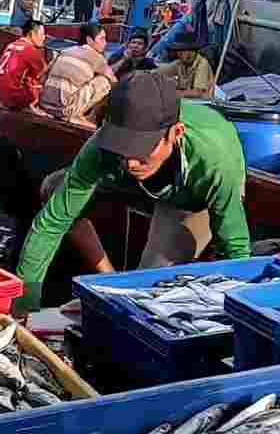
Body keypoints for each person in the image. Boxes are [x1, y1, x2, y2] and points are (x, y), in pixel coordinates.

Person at [17, 71, 250, 311]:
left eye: (140, 148)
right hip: (133, 184)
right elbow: (51, 224)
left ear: (175, 133)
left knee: (149, 291)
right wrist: (24, 305)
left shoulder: (214, 164)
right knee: (54, 186)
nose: (130, 163)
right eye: (121, 146)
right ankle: (109, 282)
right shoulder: (103, 150)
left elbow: (235, 249)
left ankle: (124, 295)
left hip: (189, 197)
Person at [37, 23, 114, 125]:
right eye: (102, 39)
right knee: (105, 81)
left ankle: (74, 111)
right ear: (89, 40)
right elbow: (113, 80)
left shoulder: (65, 51)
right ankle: (78, 115)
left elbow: (43, 76)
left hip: (44, 104)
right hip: (64, 110)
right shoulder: (97, 57)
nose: (105, 43)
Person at [0, 20, 48, 110]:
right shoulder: (30, 50)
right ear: (32, 34)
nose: (44, 38)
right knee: (47, 86)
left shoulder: (10, 45)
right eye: (42, 34)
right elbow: (44, 75)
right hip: (14, 97)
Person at [156, 32, 215, 99]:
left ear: (191, 51)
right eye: (178, 50)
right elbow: (161, 70)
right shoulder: (180, 63)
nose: (179, 53)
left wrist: (174, 93)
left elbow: (198, 92)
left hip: (202, 105)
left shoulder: (202, 64)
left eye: (182, 50)